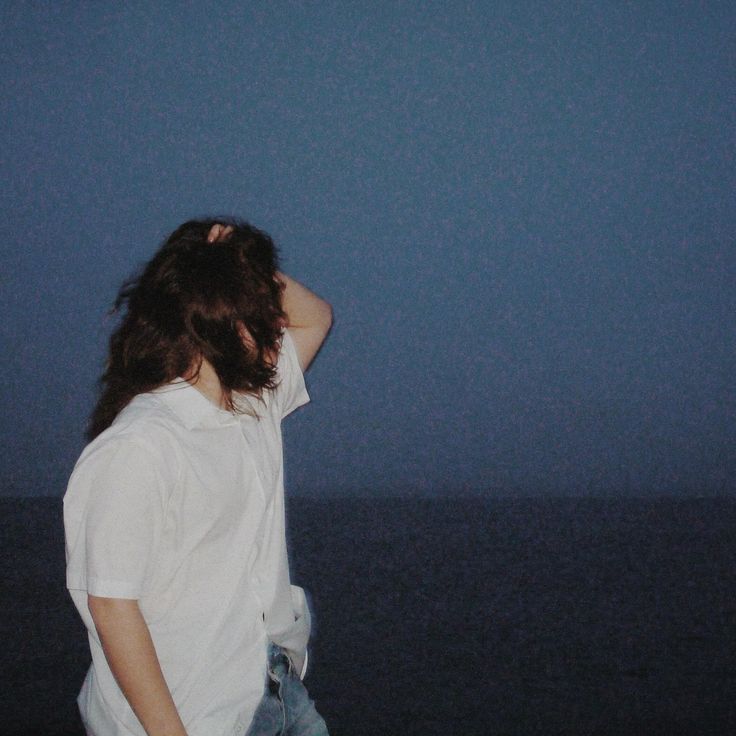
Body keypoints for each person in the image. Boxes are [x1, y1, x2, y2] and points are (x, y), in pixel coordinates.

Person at [63, 219, 332, 736]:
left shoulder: (253, 403)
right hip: (193, 714)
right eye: (261, 316)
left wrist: (239, 263)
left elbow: (316, 317)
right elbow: (113, 607)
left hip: (273, 690)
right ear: (218, 323)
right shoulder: (139, 445)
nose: (279, 324)